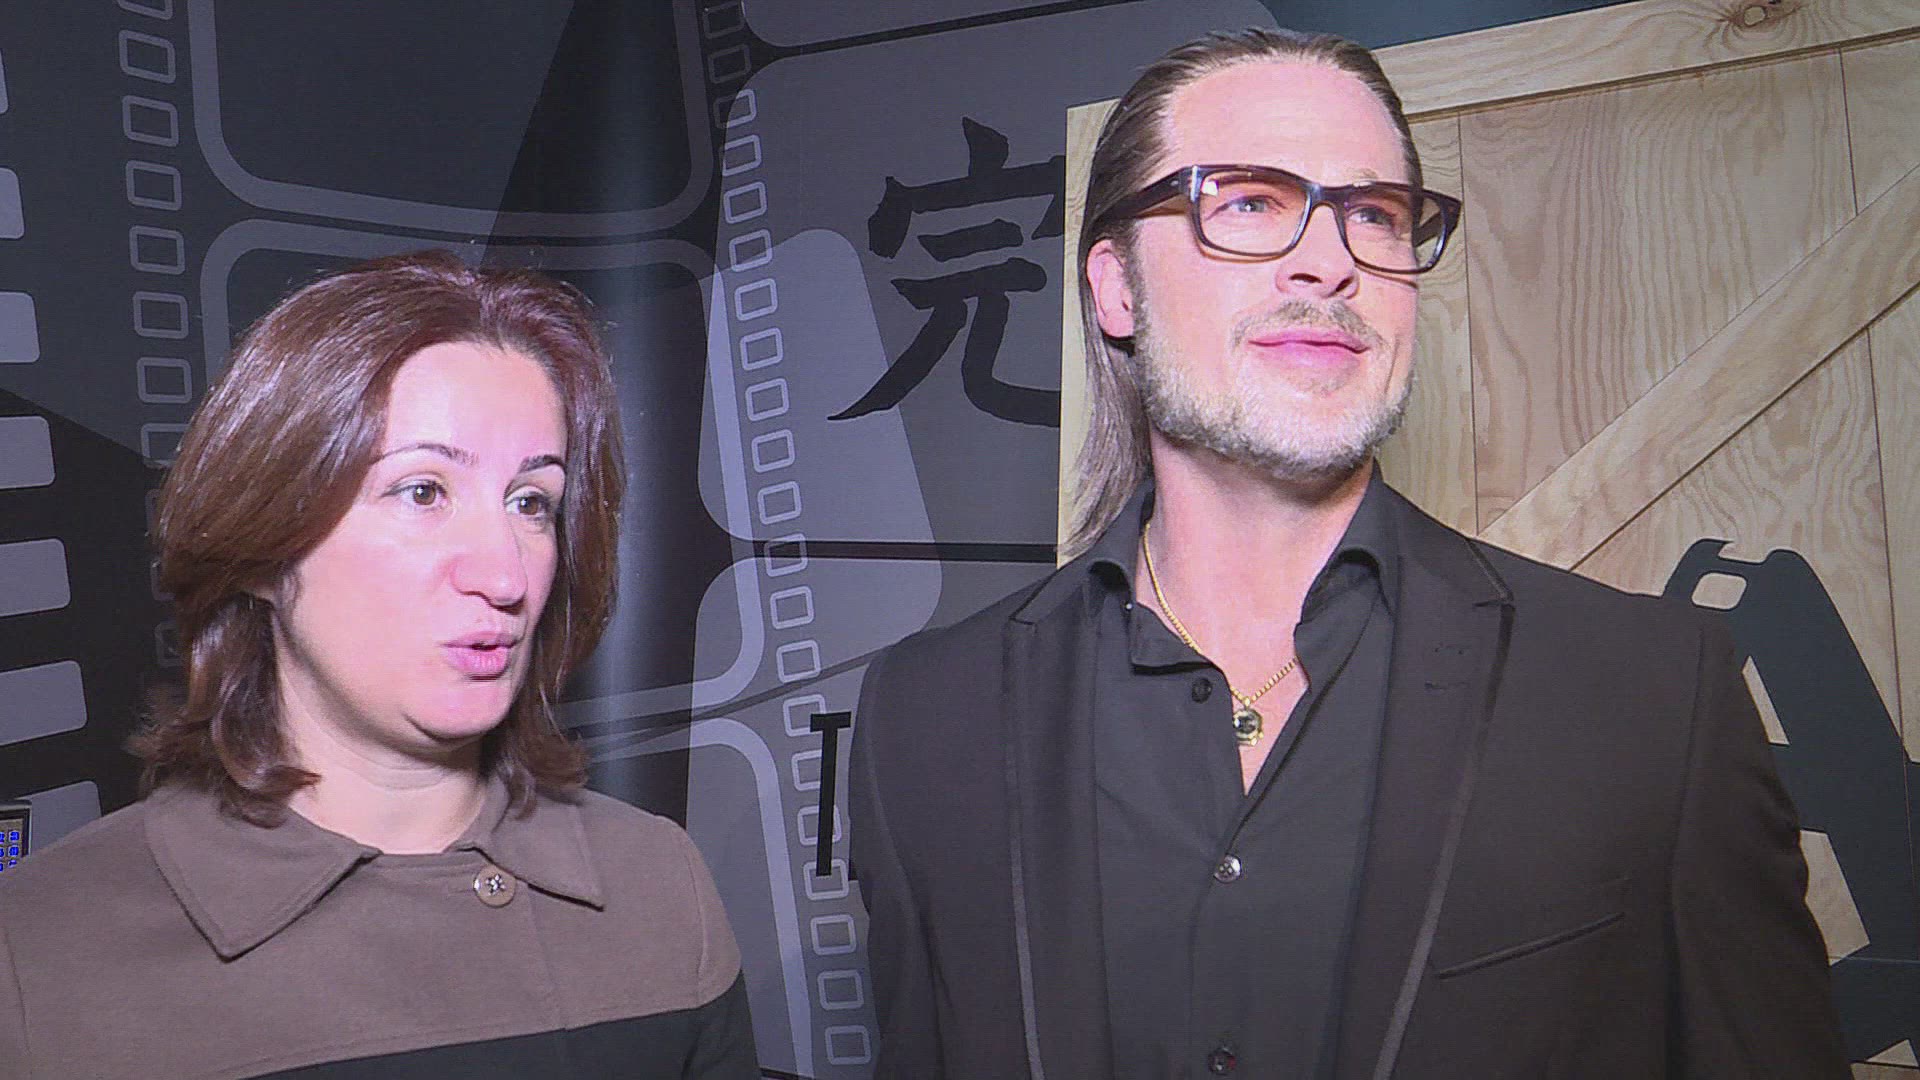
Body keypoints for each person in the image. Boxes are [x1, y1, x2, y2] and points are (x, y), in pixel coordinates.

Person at [848, 27, 1848, 1079]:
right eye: (1247, 202)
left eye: (1374, 215)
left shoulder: (1652, 697)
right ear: (1117, 289)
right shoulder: (929, 720)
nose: (1330, 262)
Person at [0, 252, 758, 1078]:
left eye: (531, 502)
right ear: (261, 544)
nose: (505, 576)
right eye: (423, 491)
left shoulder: (658, 888)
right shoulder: (43, 954)